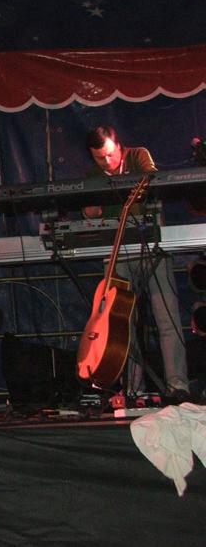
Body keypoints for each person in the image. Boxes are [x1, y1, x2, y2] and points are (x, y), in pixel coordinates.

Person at [83, 125, 190, 401]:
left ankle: (178, 386)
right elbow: (89, 212)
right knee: (120, 326)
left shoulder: (138, 156)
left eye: (110, 154)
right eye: (99, 158)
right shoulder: (93, 176)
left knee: (167, 319)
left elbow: (153, 180)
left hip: (151, 249)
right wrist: (90, 211)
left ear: (119, 146)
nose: (106, 161)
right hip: (118, 252)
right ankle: (132, 388)